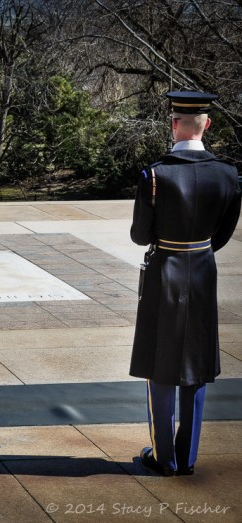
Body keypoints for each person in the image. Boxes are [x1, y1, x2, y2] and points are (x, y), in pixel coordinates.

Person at [130, 91, 240, 476]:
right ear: (207, 124)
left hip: (165, 271)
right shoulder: (228, 174)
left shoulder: (155, 174)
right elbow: (223, 234)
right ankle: (188, 457)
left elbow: (140, 236)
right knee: (195, 363)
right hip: (203, 271)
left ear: (173, 123)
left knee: (160, 365)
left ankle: (164, 458)